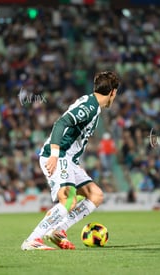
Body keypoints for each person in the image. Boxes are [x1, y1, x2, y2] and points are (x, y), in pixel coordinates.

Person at [21, 71, 120, 250]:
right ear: (112, 92)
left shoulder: (93, 106)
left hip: (69, 159)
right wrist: (54, 154)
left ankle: (58, 230)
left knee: (95, 195)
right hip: (59, 155)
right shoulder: (89, 107)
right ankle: (33, 240)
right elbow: (61, 123)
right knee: (68, 200)